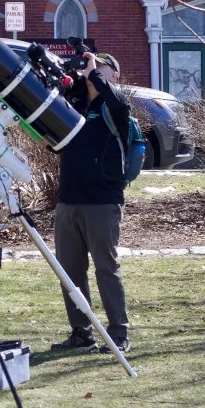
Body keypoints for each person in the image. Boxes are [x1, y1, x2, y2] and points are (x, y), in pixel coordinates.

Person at [50, 51, 132, 354]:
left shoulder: (117, 106)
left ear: (115, 75)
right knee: (70, 271)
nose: (93, 72)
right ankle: (81, 332)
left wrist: (93, 71)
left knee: (105, 267)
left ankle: (118, 333)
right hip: (68, 200)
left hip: (102, 201)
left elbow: (110, 95)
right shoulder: (76, 105)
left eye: (102, 68)